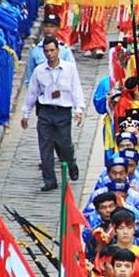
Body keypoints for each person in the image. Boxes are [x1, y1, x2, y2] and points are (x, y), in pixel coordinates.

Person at [21, 36, 86, 191]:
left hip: (63, 111)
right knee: (45, 146)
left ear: (58, 50)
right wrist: (25, 113)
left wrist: (79, 109)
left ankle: (71, 163)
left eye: (52, 50)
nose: (49, 54)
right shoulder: (39, 71)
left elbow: (76, 88)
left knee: (64, 144)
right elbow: (32, 93)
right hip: (45, 111)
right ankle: (49, 179)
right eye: (46, 51)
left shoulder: (69, 68)